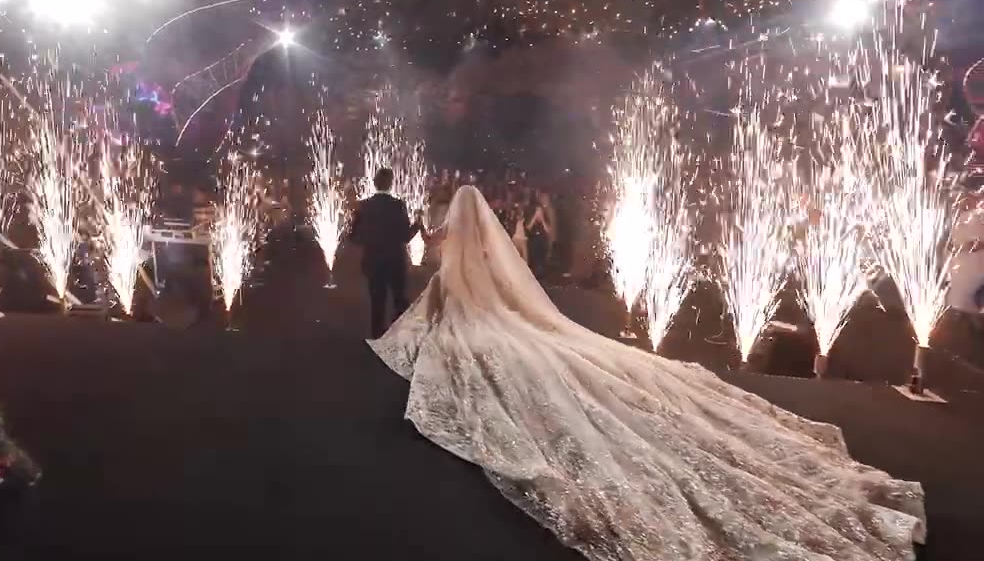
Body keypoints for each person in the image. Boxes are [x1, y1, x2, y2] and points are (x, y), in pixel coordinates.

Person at [369, 186, 925, 561]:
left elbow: (444, 290)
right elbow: (511, 289)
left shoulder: (454, 245)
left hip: (482, 321)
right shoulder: (491, 249)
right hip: (510, 319)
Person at [348, 168, 422, 339]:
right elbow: (405, 236)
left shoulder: (363, 206)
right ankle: (400, 337)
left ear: (374, 184)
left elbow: (353, 237)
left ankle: (377, 338)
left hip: (373, 261)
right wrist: (417, 224)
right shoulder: (398, 205)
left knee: (377, 302)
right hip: (395, 261)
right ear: (391, 184)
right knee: (399, 300)